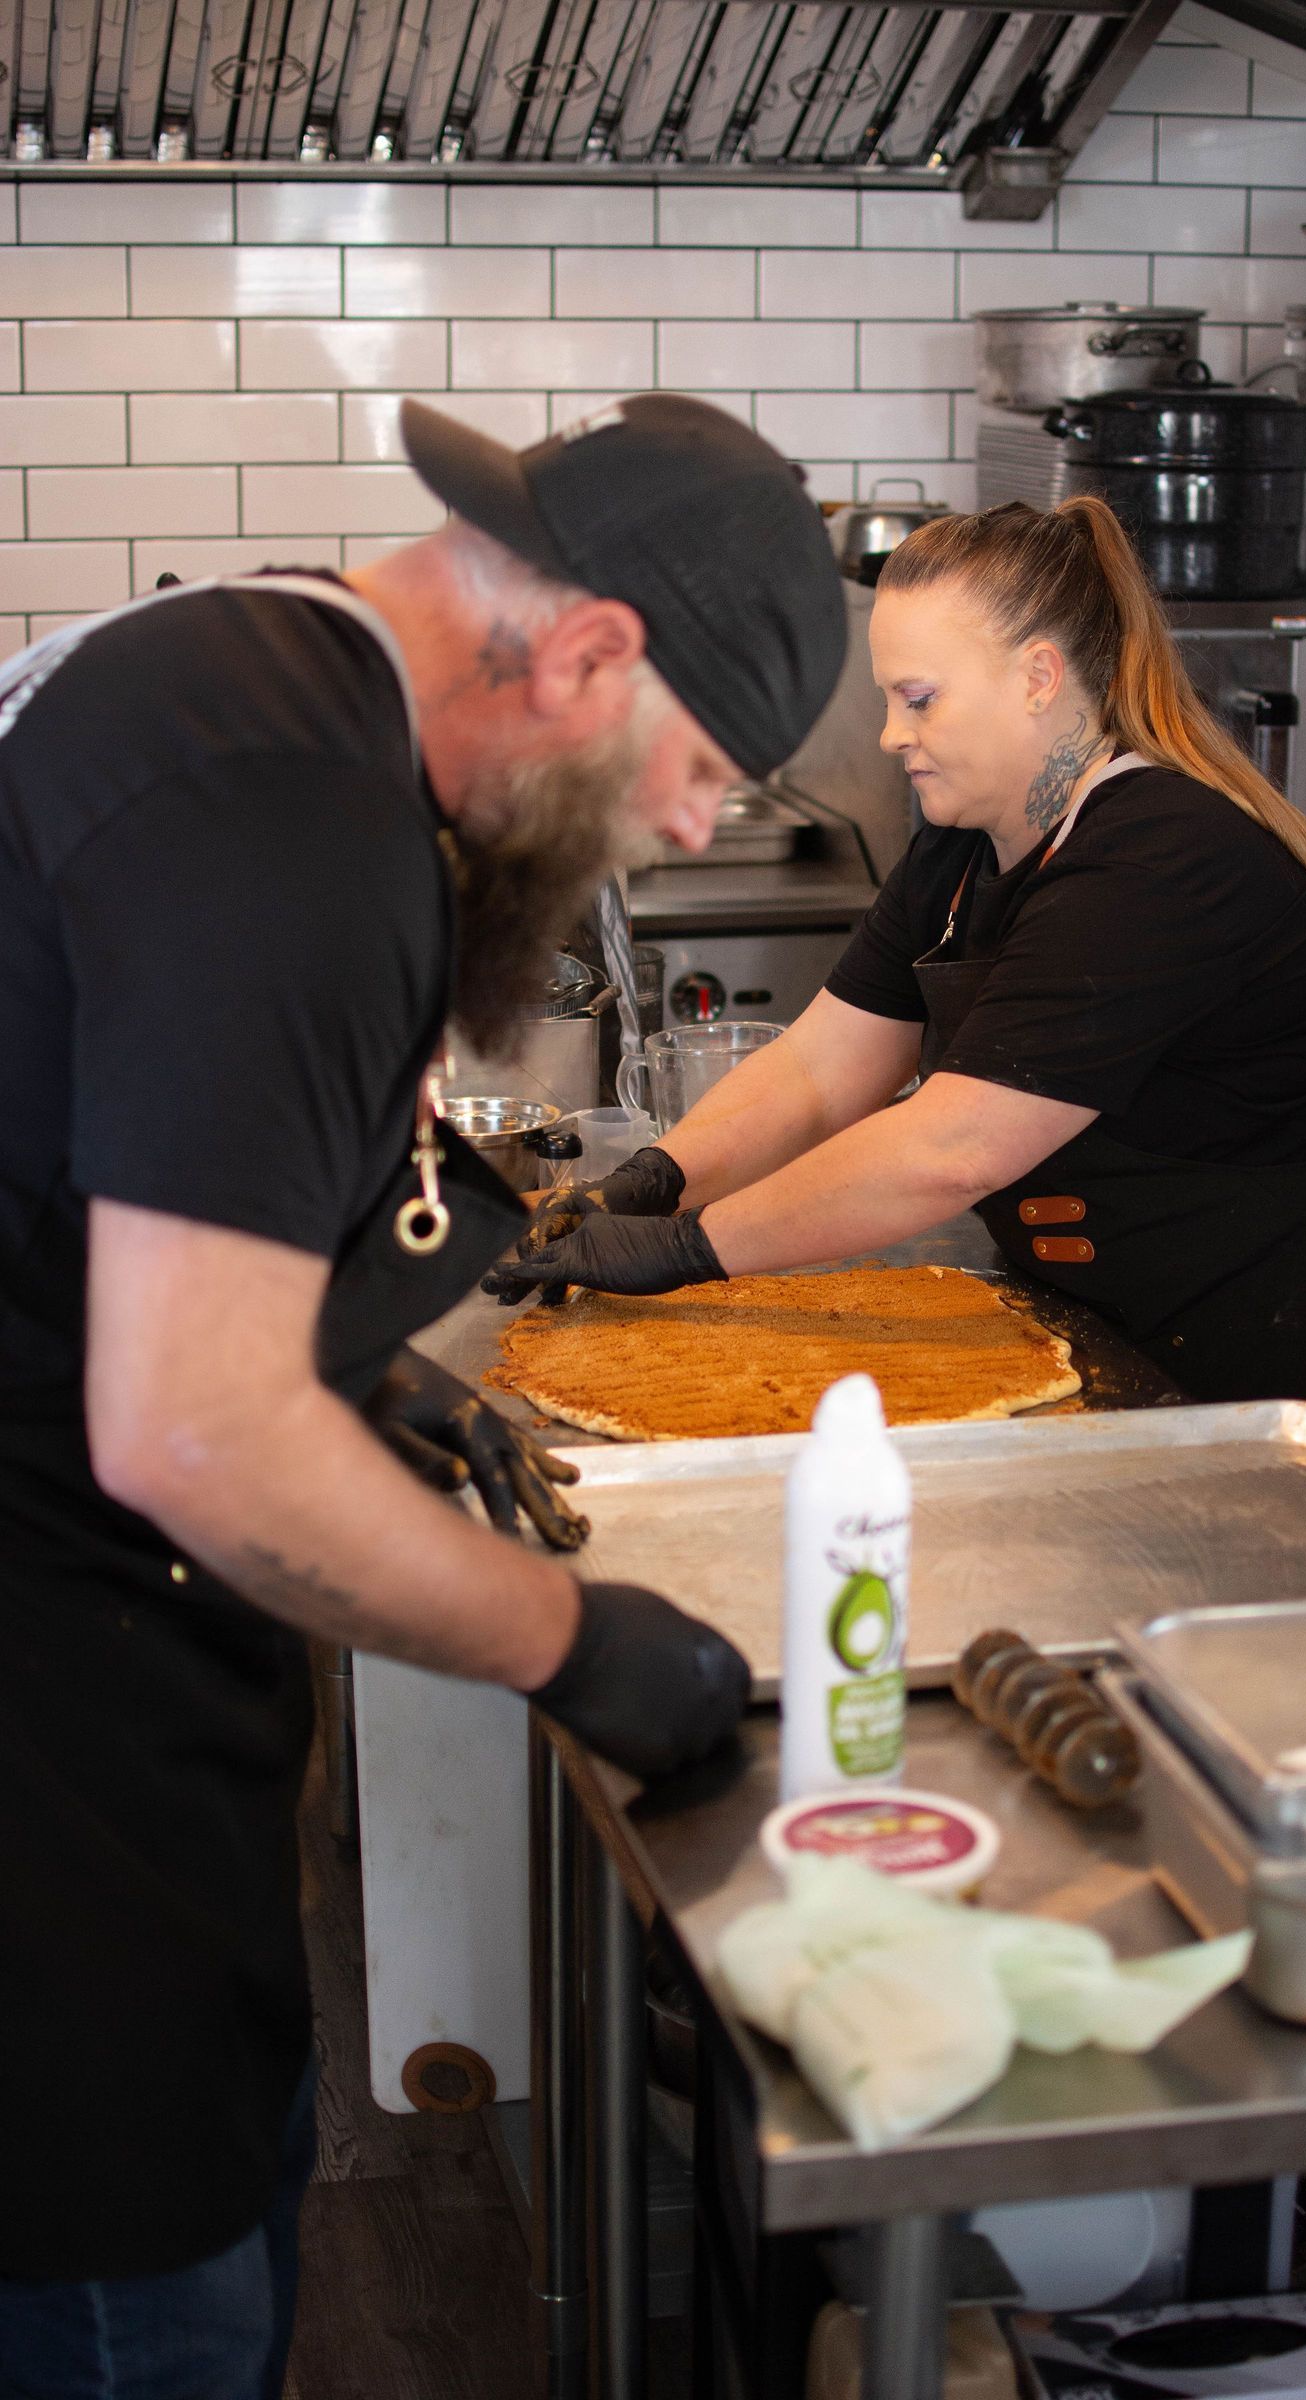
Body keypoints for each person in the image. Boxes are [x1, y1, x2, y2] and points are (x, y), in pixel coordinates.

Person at [0, 395, 845, 2392]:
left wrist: (353, 1369)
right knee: (142, 2303)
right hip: (43, 1728)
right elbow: (191, 1429)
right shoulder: (293, 814)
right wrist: (566, 1641)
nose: (697, 828)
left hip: (92, 1656)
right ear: (582, 658)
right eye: (704, 770)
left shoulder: (234, 664)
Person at [488, 496, 1306, 1493]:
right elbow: (818, 1067)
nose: (890, 734)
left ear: (1036, 679)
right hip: (1140, 1313)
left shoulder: (1160, 859)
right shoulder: (969, 842)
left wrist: (684, 1250)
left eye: (918, 699)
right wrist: (651, 1183)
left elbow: (947, 1149)